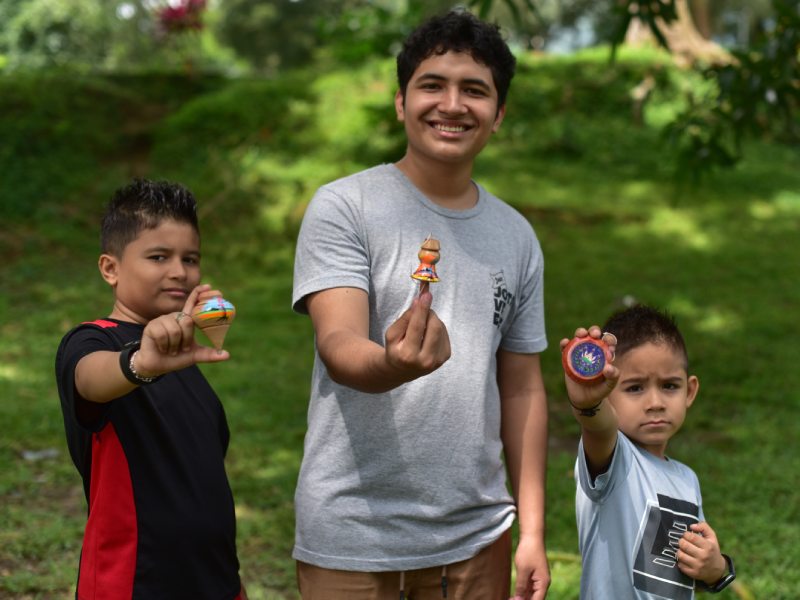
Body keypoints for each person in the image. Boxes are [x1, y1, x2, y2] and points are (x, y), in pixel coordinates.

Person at [291, 9, 550, 600]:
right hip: (353, 534)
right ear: (401, 102)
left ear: (499, 115)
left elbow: (523, 388)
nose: (452, 105)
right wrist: (393, 366)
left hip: (477, 537)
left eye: (475, 91)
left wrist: (532, 531)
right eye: (432, 85)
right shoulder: (345, 206)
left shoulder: (516, 237)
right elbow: (338, 345)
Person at [55, 179, 247, 599]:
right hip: (133, 583)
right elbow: (91, 378)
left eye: (190, 258)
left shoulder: (185, 363)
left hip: (214, 581)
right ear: (111, 268)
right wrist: (139, 363)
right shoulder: (93, 342)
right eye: (159, 256)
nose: (180, 271)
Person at [561, 305, 736, 599]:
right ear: (607, 391)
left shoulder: (687, 479)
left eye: (669, 386)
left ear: (689, 392)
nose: (655, 402)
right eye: (634, 388)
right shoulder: (614, 457)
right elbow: (599, 427)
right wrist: (587, 404)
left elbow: (687, 567)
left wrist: (716, 568)